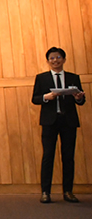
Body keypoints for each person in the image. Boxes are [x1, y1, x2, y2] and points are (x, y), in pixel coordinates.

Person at [32, 46, 86, 204]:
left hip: (68, 121)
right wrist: (47, 97)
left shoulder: (73, 77)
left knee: (68, 157)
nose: (55, 60)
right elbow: (35, 99)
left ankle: (68, 191)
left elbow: (81, 101)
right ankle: (45, 192)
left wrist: (78, 98)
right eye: (52, 58)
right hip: (50, 121)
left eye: (58, 57)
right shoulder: (41, 78)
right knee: (48, 156)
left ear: (64, 59)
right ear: (48, 61)